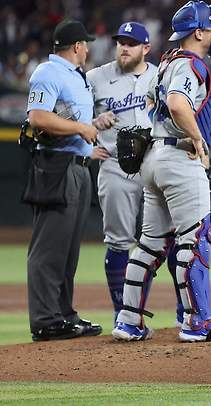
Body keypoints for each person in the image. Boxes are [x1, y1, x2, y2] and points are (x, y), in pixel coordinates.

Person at [111, 0, 211, 342]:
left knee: (152, 243)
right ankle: (198, 321)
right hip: (178, 157)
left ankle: (128, 319)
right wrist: (197, 139)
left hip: (154, 156)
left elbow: (153, 104)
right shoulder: (191, 64)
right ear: (198, 32)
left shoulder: (166, 63)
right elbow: (179, 104)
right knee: (196, 238)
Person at [24, 19, 105, 341]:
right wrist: (82, 129)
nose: (87, 48)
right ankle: (45, 319)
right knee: (48, 250)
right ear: (76, 47)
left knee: (68, 251)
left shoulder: (73, 75)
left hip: (76, 165)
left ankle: (62, 315)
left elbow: (67, 121)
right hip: (55, 167)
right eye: (85, 43)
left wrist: (92, 128)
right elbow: (38, 118)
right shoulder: (48, 72)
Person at [86, 22, 160, 320]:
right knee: (118, 241)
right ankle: (124, 313)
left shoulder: (160, 75)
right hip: (116, 165)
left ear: (146, 48)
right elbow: (62, 117)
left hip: (155, 163)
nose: (124, 48)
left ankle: (182, 311)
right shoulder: (95, 77)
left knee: (161, 240)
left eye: (131, 43)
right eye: (121, 42)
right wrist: (90, 128)